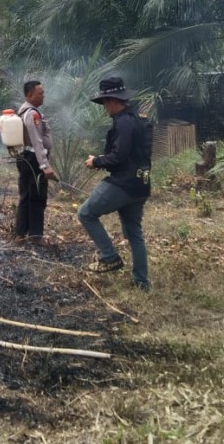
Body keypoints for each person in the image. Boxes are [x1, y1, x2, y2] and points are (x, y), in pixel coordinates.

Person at [77, 76, 151, 291]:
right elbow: (130, 153)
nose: (104, 108)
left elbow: (118, 157)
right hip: (141, 183)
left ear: (112, 100)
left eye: (104, 103)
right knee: (134, 233)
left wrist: (96, 161)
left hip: (124, 183)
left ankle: (109, 257)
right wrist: (103, 158)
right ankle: (141, 282)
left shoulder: (124, 122)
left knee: (86, 213)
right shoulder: (137, 117)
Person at [15, 80, 56, 243]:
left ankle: (20, 232)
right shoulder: (32, 114)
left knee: (26, 195)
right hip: (33, 160)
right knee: (38, 197)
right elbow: (37, 141)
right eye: (40, 93)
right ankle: (36, 236)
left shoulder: (23, 110)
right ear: (30, 95)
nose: (43, 95)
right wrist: (45, 166)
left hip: (25, 158)